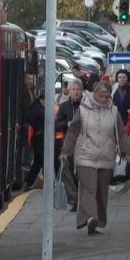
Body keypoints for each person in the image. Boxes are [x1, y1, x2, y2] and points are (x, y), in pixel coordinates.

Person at [61, 82, 130, 235]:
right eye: (101, 96)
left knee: (101, 192)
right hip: (85, 155)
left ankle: (96, 222)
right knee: (89, 188)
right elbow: (73, 131)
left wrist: (127, 152)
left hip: (106, 156)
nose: (104, 99)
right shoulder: (82, 110)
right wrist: (66, 151)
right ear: (93, 93)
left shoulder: (114, 112)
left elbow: (121, 133)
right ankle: (89, 217)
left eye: (107, 96)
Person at [54, 80, 84, 210]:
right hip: (68, 143)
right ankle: (73, 200)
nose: (76, 92)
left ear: (82, 91)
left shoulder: (86, 105)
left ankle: (83, 199)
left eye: (78, 90)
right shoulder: (64, 106)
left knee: (83, 172)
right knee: (68, 171)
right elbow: (56, 125)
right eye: (73, 89)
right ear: (69, 91)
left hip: (85, 142)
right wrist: (67, 124)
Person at [23, 92, 47, 190]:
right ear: (41, 100)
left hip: (37, 139)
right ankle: (35, 182)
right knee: (41, 161)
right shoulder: (38, 110)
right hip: (38, 140)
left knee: (38, 162)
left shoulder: (35, 108)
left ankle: (30, 182)